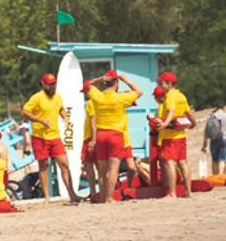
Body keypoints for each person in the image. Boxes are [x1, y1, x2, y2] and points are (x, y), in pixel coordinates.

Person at [21, 73, 81, 203]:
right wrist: (40, 120)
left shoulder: (58, 97)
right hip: (40, 137)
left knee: (64, 164)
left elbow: (61, 109)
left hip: (55, 136)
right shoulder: (37, 97)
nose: (52, 86)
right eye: (50, 84)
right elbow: (24, 112)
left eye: (54, 84)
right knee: (43, 167)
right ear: (43, 84)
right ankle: (47, 197)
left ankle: (72, 194)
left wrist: (65, 118)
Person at [87, 69, 142, 203]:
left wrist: (100, 78)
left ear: (105, 83)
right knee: (113, 169)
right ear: (116, 83)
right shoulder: (120, 98)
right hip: (115, 134)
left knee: (102, 171)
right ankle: (109, 198)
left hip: (101, 134)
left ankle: (102, 198)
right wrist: (125, 79)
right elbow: (139, 91)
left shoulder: (98, 96)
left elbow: (89, 84)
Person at [154, 71, 196, 199]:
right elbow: (189, 112)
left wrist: (165, 124)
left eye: (162, 83)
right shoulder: (181, 96)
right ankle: (188, 192)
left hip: (170, 136)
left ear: (169, 83)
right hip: (181, 135)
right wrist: (193, 123)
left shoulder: (170, 96)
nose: (160, 85)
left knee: (169, 162)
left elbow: (171, 112)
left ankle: (172, 193)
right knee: (183, 163)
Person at [80, 82, 100, 197]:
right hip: (98, 135)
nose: (85, 95)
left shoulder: (91, 103)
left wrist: (93, 140)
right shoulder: (100, 100)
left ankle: (92, 192)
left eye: (85, 92)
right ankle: (102, 191)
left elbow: (93, 121)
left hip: (90, 137)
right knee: (100, 166)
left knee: (88, 165)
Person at [202, 100, 226, 176]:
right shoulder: (225, 116)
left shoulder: (211, 116)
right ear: (224, 107)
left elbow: (206, 131)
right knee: (222, 158)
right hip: (223, 138)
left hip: (213, 139)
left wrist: (204, 145)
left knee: (215, 159)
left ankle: (215, 177)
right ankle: (220, 176)